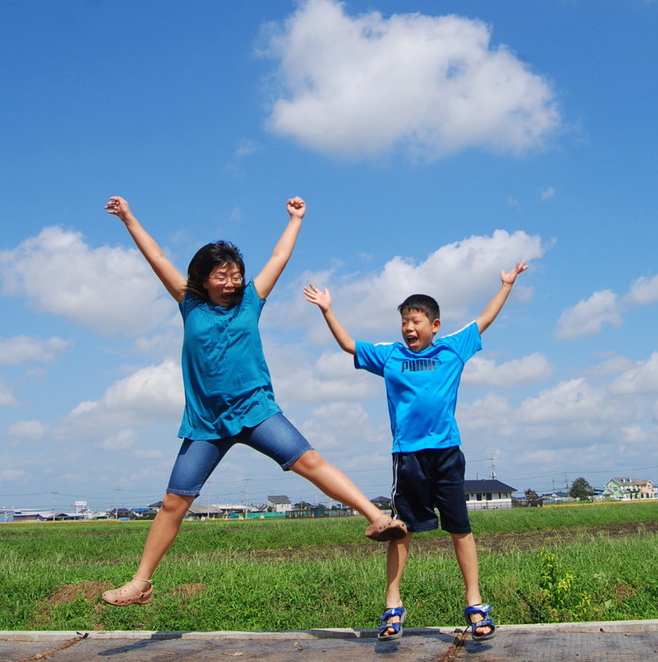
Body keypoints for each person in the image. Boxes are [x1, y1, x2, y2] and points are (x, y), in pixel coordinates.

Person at [101, 195, 406, 607]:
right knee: (175, 501)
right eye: (222, 276)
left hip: (257, 411)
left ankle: (376, 518)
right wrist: (129, 218)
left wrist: (296, 219)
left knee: (310, 463)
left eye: (236, 274)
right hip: (207, 423)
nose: (231, 282)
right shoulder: (189, 303)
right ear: (204, 278)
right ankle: (140, 583)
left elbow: (279, 258)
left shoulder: (251, 301)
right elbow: (154, 256)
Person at [304, 261, 529, 641]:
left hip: (446, 453)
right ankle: (393, 606)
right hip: (407, 457)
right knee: (401, 531)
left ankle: (475, 603)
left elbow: (483, 321)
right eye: (405, 322)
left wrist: (506, 286)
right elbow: (348, 345)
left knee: (460, 528)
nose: (409, 328)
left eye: (416, 321)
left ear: (434, 326)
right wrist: (328, 310)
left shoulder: (452, 349)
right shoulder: (390, 355)